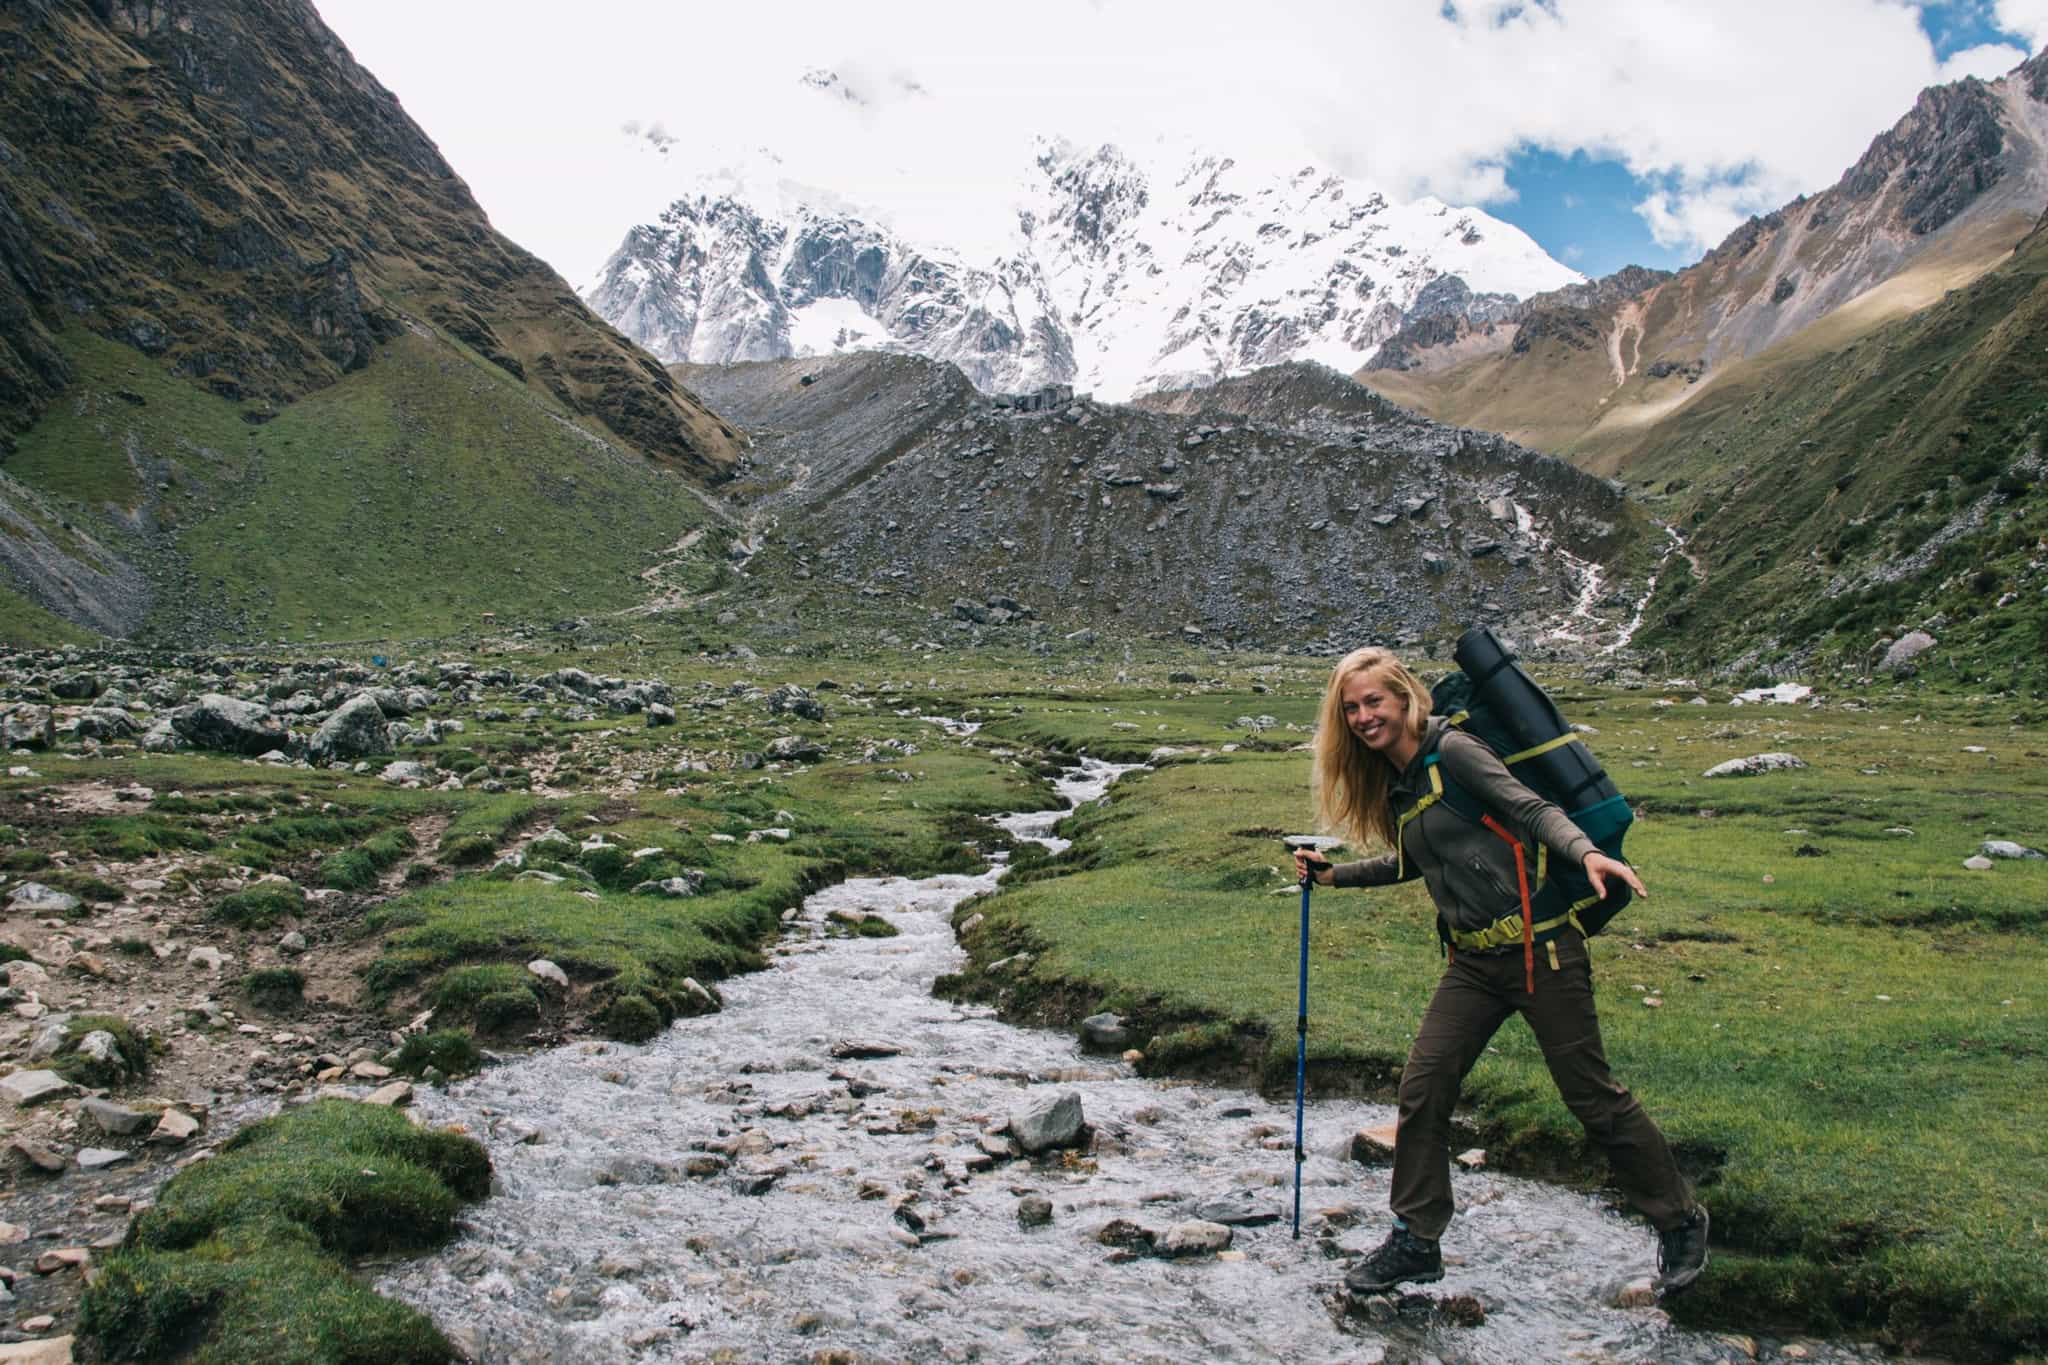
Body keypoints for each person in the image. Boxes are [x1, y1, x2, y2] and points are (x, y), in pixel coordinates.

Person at [1292, 646, 1709, 1296]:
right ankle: (1415, 1240)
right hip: (1473, 961)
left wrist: (1587, 852)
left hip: (1542, 950)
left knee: (1592, 1097)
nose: (1364, 715)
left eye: (1373, 700)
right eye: (1351, 708)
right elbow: (1416, 859)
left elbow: (1530, 808)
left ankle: (1681, 1221)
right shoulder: (1399, 779)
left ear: (1403, 696)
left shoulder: (1454, 752)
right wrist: (1334, 875)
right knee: (1423, 1086)